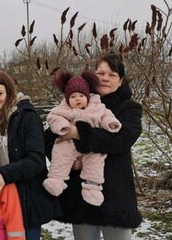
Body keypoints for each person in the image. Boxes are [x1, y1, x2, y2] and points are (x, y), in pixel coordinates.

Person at [44, 51, 143, 240]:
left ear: (121, 81)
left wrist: (77, 133)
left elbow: (121, 139)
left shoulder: (129, 108)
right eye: (101, 73)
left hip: (115, 195)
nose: (105, 78)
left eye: (112, 75)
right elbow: (48, 137)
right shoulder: (75, 101)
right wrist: (67, 159)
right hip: (80, 196)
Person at [0, 69, 60, 240]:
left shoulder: (27, 117)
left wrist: (4, 175)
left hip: (26, 199)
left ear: (9, 91)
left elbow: (36, 161)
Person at [43, 70, 122, 206]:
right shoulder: (63, 108)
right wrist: (63, 126)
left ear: (87, 96)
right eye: (73, 97)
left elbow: (106, 116)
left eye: (81, 95)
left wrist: (111, 123)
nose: (77, 99)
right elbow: (53, 118)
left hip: (92, 147)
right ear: (67, 99)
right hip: (68, 144)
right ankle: (56, 179)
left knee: (96, 160)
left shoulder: (97, 107)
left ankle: (92, 187)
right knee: (60, 154)